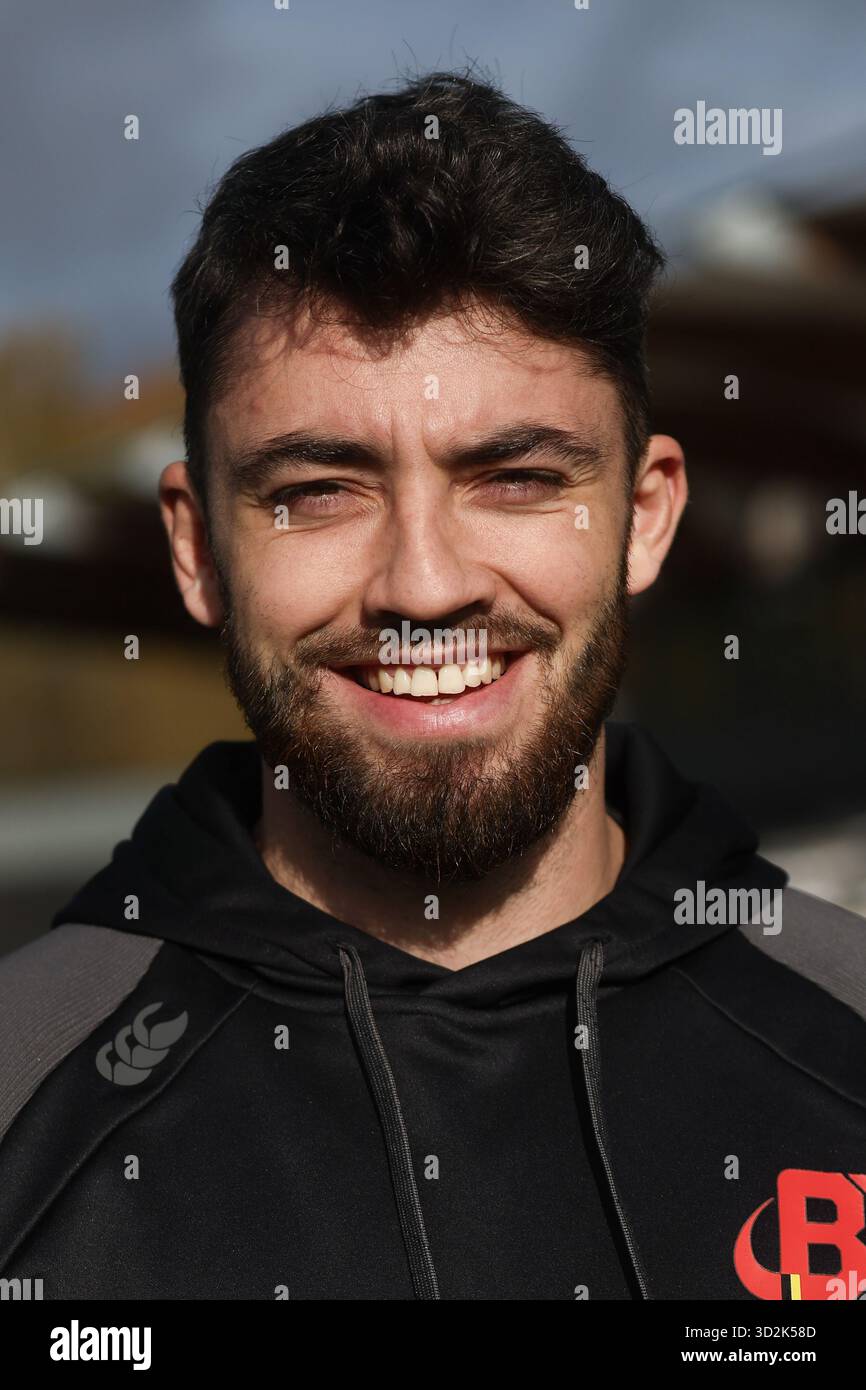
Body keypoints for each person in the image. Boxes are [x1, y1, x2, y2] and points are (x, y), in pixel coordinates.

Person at [1, 70, 865, 1303]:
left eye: (513, 476)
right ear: (194, 550)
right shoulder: (21, 1103)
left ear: (644, 516)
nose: (422, 584)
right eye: (318, 490)